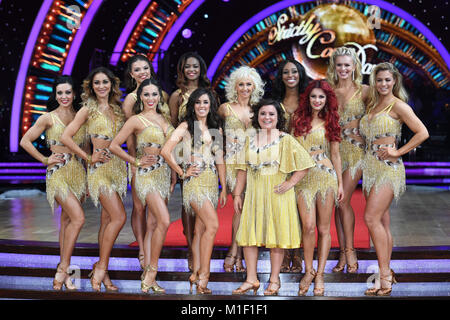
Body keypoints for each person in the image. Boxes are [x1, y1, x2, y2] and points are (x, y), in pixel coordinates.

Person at [232, 99, 315, 296]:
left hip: (278, 194)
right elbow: (242, 170)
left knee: (275, 238)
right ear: (257, 117)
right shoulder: (249, 140)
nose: (267, 117)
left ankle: (274, 279)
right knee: (249, 237)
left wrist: (290, 183)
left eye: (271, 114)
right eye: (263, 114)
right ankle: (251, 278)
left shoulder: (285, 139)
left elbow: (305, 164)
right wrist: (237, 193)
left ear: (278, 118)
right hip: (254, 194)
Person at [361, 62, 428, 296]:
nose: (383, 84)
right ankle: (385, 273)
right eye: (379, 80)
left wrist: (398, 152)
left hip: (389, 168)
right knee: (382, 222)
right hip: (369, 167)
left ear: (394, 81)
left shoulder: (398, 106)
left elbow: (423, 132)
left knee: (370, 218)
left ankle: (385, 276)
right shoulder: (372, 103)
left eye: (387, 80)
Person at [61, 67, 128, 292]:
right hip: (98, 170)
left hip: (118, 169)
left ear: (111, 85)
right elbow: (66, 137)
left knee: (107, 220)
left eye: (105, 82)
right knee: (119, 217)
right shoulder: (87, 110)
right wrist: (88, 158)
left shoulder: (118, 110)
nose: (101, 86)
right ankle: (100, 266)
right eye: (97, 83)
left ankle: (104, 272)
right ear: (91, 86)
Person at [20, 76, 86, 291]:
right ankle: (64, 268)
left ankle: (64, 271)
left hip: (78, 173)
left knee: (67, 222)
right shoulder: (48, 118)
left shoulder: (80, 116)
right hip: (57, 172)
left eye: (68, 92)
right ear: (55, 95)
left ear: (74, 94)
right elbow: (25, 141)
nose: (64, 97)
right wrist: (45, 159)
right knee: (78, 218)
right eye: (60, 93)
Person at [109, 78, 175, 294]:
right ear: (140, 98)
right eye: (146, 95)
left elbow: (172, 151)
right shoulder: (136, 120)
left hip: (163, 175)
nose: (150, 98)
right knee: (165, 220)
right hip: (145, 176)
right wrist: (135, 162)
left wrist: (174, 176)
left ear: (159, 97)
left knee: (155, 223)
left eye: (154, 94)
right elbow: (114, 145)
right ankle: (151, 272)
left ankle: (147, 272)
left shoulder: (165, 119)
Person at [161, 88, 227, 294]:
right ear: (192, 106)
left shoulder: (216, 128)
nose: (201, 106)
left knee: (199, 230)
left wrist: (224, 186)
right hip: (194, 182)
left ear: (211, 105)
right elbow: (165, 150)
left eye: (205, 103)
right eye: (198, 103)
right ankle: (204, 277)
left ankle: (196, 272)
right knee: (212, 225)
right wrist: (182, 172)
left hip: (211, 182)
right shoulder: (185, 126)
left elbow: (220, 160)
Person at [291, 80, 344, 296]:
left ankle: (320, 273)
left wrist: (340, 182)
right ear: (308, 98)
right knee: (309, 226)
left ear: (327, 100)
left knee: (323, 228)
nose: (317, 101)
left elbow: (336, 154)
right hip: (303, 179)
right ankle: (309, 270)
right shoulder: (297, 119)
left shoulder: (331, 121)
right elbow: (291, 152)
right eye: (314, 96)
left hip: (326, 177)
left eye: (321, 97)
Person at [122, 55, 171, 269]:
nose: (142, 72)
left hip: (162, 163)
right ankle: (142, 249)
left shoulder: (162, 94)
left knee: (155, 211)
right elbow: (130, 134)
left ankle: (151, 250)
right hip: (140, 160)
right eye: (137, 69)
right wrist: (135, 161)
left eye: (145, 68)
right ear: (131, 75)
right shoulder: (132, 100)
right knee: (139, 207)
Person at [326, 47, 369, 273]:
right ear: (334, 66)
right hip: (333, 151)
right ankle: (342, 255)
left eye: (347, 64)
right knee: (336, 203)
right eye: (339, 64)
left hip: (356, 152)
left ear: (354, 66)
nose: (343, 69)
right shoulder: (328, 90)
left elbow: (378, 115)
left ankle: (350, 251)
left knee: (343, 201)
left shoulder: (365, 91)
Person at [217, 65, 264, 273]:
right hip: (233, 164)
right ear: (234, 87)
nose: (245, 88)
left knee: (247, 209)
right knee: (240, 208)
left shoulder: (260, 109)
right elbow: (215, 140)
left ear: (255, 87)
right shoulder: (225, 108)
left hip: (255, 166)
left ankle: (238, 252)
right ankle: (235, 251)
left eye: (248, 84)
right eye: (241, 84)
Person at [168, 52, 211, 271]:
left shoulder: (210, 93)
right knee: (188, 202)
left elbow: (213, 124)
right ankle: (189, 248)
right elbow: (174, 126)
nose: (191, 70)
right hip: (186, 155)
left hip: (206, 154)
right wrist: (176, 167)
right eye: (187, 67)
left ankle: (200, 248)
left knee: (204, 203)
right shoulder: (177, 95)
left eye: (195, 66)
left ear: (201, 69)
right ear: (182, 70)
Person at [272, 58, 309, 272]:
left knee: (301, 211)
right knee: (284, 210)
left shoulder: (307, 99)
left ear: (300, 74)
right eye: (286, 72)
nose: (290, 75)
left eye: (294, 71)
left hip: (303, 159)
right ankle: (286, 254)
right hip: (279, 160)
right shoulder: (275, 100)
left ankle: (298, 254)